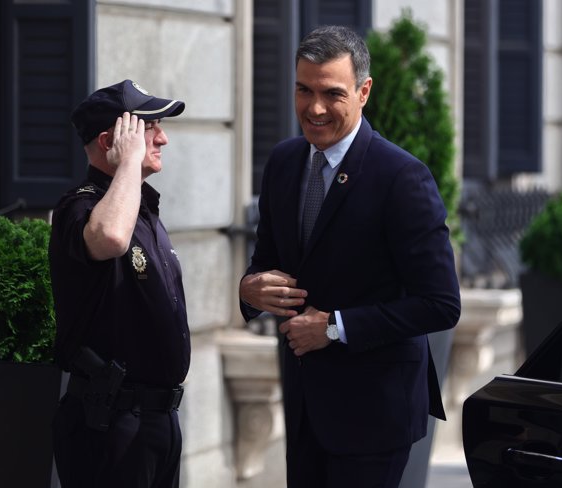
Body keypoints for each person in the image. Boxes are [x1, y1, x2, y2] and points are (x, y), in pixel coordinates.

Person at [239, 25, 461, 488]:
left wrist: (335, 327)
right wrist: (249, 288)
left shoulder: (402, 177)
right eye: (303, 90)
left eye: (331, 93)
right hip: (304, 412)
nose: (314, 108)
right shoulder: (282, 162)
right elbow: (266, 261)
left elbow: (441, 303)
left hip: (375, 416)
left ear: (364, 92)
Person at [49, 79, 190, 488]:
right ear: (112, 140)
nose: (162, 138)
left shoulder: (143, 210)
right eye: (149, 128)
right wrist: (128, 164)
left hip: (156, 421)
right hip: (111, 422)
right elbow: (109, 238)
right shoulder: (81, 205)